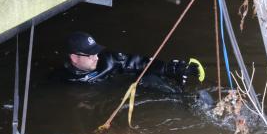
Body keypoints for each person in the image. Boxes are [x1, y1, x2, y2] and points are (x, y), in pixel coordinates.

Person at [62, 31, 200, 92]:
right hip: (110, 102)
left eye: (96, 52)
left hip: (129, 86)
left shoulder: (110, 59)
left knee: (149, 78)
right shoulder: (63, 81)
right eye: (90, 55)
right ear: (74, 58)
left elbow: (140, 63)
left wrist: (169, 68)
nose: (96, 57)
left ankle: (187, 98)